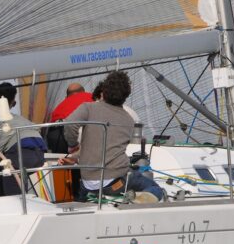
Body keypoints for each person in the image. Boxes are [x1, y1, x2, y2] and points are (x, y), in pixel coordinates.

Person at [62, 71, 164, 202]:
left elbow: (70, 126)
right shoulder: (129, 121)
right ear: (126, 96)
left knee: (81, 194)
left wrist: (73, 147)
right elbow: (110, 148)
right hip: (117, 184)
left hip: (89, 184)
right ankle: (137, 197)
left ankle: (83, 199)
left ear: (104, 90)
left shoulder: (88, 108)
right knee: (155, 188)